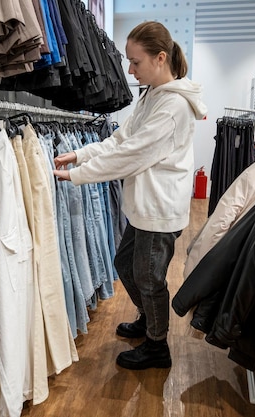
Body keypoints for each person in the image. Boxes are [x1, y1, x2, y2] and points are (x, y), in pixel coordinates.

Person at [53, 21, 207, 370]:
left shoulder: (173, 107)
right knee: (126, 265)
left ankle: (157, 346)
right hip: (144, 206)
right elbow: (123, 140)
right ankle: (148, 321)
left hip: (159, 208)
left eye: (135, 61)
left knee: (149, 279)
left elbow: (132, 155)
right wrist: (81, 154)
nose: (129, 69)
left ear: (160, 58)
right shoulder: (152, 95)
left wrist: (78, 175)